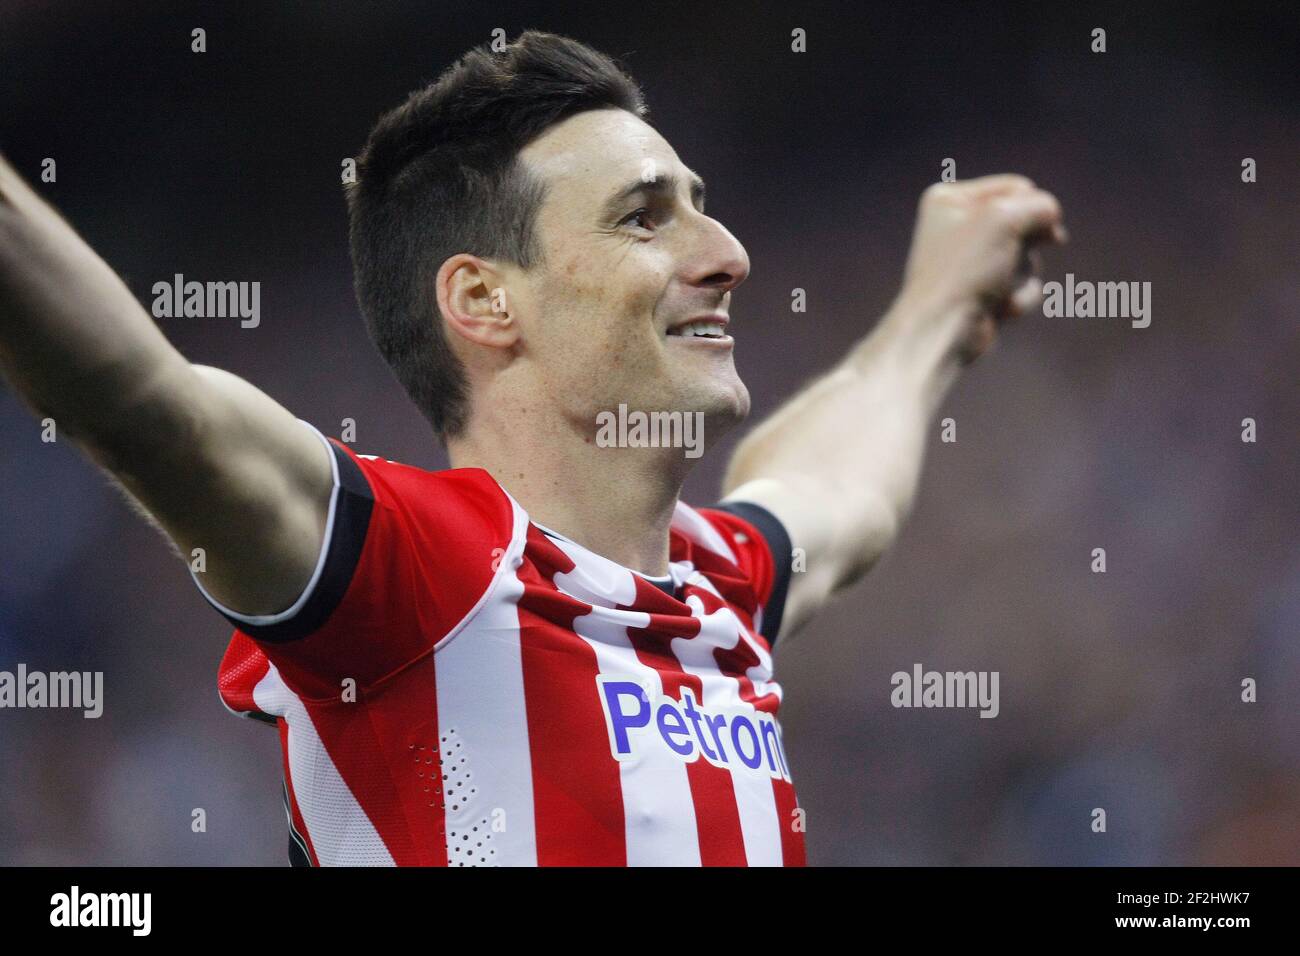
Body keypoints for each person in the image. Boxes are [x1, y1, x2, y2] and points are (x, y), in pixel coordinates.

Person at [0, 30, 1065, 866]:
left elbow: (839, 489)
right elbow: (143, 405)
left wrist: (933, 310)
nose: (730, 255)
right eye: (645, 218)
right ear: (483, 299)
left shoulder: (713, 590)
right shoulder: (413, 572)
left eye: (703, 208)